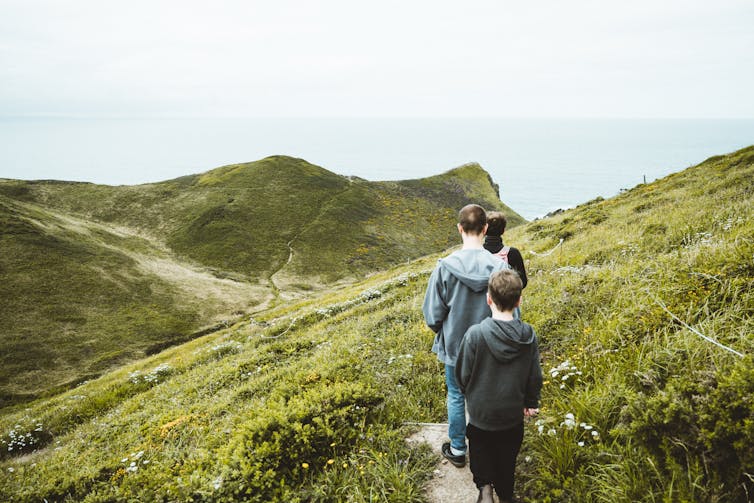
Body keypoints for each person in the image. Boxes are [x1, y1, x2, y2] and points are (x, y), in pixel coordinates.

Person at [422, 204, 510, 468]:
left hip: (456, 347)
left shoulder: (445, 267)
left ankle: (458, 449)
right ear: (485, 229)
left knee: (456, 395)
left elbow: (432, 315)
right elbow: (510, 313)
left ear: (460, 228)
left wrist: (444, 331)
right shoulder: (500, 267)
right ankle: (490, 449)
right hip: (490, 346)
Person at [455, 269, 543, 503]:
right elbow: (535, 375)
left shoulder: (475, 335)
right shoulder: (528, 335)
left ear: (488, 299)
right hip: (512, 416)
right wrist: (530, 402)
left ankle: (485, 488)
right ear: (519, 301)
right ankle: (505, 493)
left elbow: (462, 374)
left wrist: (469, 392)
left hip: (481, 414)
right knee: (507, 458)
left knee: (481, 452)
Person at [483, 211, 528, 289]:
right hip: (506, 299)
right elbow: (522, 282)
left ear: (484, 230)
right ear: (503, 230)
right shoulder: (513, 253)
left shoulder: (476, 253)